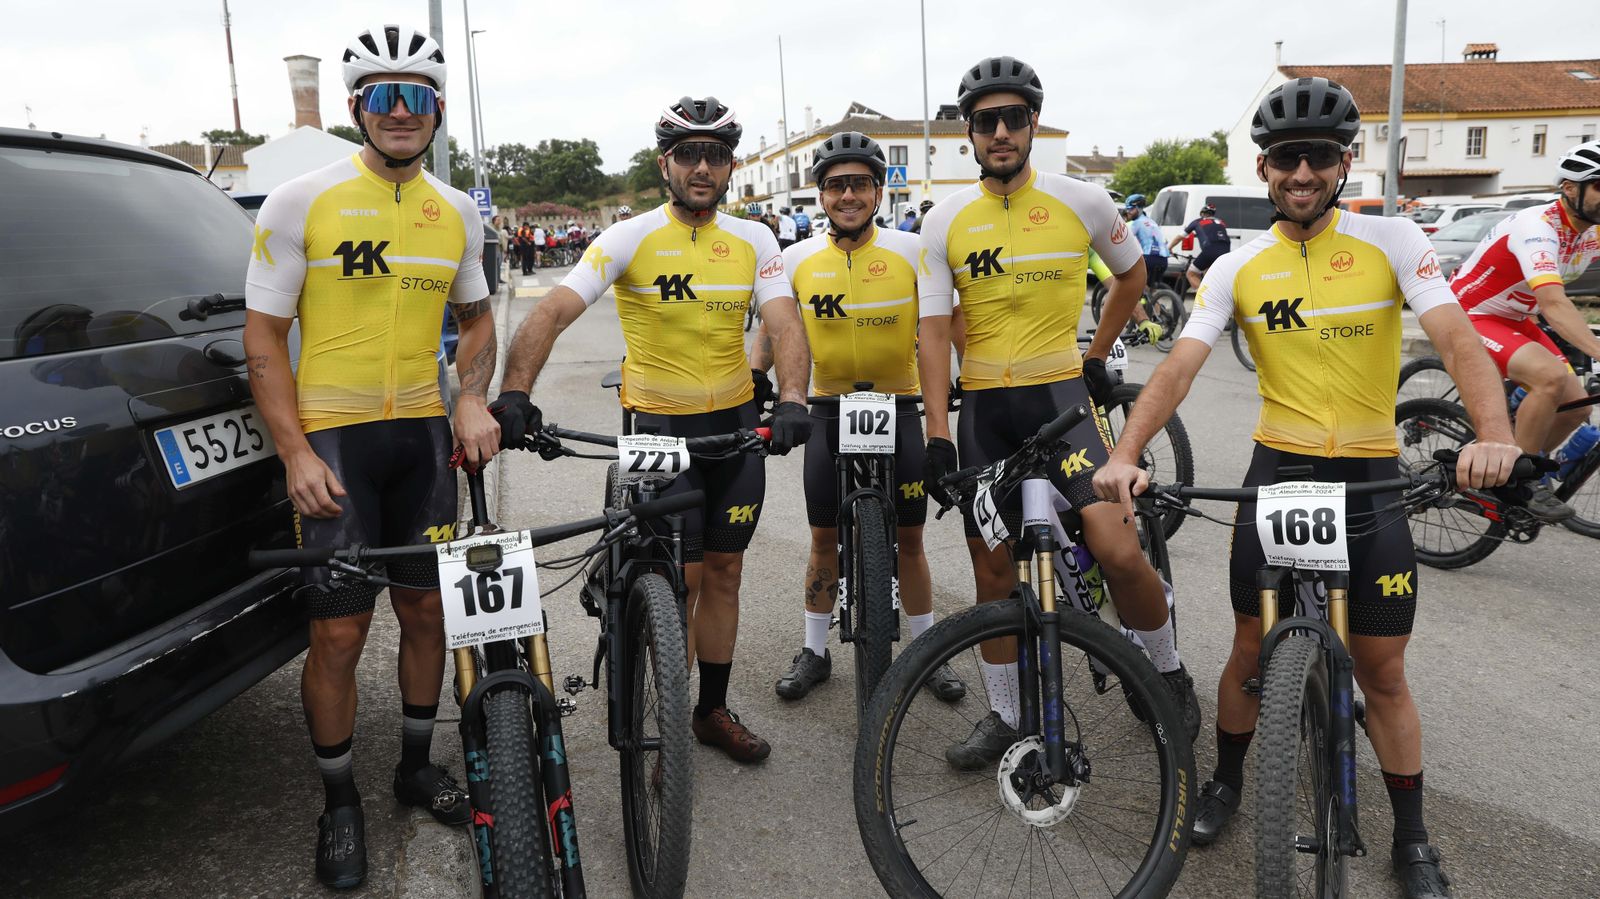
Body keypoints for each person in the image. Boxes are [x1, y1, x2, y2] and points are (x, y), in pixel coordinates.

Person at [1092, 77, 1521, 899]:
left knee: (1383, 671)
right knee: (1251, 649)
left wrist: (1495, 437)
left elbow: (1459, 340)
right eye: (1287, 158)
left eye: (1318, 158)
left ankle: (1414, 837)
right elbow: (1179, 367)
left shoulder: (1393, 240)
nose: (1302, 172)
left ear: (1342, 164)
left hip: (1369, 475)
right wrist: (1130, 450)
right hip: (1279, 472)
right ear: (1264, 167)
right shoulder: (1237, 264)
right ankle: (1225, 781)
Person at [242, 24, 502, 890]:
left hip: (421, 439)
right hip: (336, 444)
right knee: (340, 631)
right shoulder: (299, 201)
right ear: (356, 107)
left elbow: (477, 321)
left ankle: (416, 765)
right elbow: (264, 340)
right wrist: (293, 452)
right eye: (383, 97)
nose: (400, 113)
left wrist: (469, 393)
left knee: (428, 617)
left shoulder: (457, 210)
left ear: (436, 112)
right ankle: (341, 801)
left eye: (417, 97)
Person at [490, 96, 814, 764]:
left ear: (729, 166)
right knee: (682, 579)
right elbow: (552, 310)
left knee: (725, 572)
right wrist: (515, 392)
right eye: (689, 154)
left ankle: (709, 710)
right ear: (665, 162)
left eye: (716, 155)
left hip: (731, 432)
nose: (703, 167)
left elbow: (783, 322)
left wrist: (792, 397)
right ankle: (669, 700)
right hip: (658, 433)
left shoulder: (755, 239)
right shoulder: (628, 236)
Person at [916, 55, 1201, 769]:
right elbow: (930, 329)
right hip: (985, 410)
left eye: (1015, 117)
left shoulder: (1083, 201)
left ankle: (1164, 670)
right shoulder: (943, 220)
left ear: (1034, 123)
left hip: (1062, 402)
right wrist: (938, 435)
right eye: (988, 121)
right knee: (990, 576)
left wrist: (1099, 352)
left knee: (1116, 548)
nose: (1003, 130)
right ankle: (1007, 715)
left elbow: (1136, 274)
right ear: (970, 133)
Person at [750, 131, 967, 702]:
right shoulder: (795, 259)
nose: (848, 195)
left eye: (860, 184)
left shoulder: (912, 250)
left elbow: (946, 326)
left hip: (899, 405)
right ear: (821, 195)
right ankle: (814, 651)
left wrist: (967, 377)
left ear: (879, 190)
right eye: (836, 185)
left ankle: (924, 651)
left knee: (911, 537)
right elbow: (776, 329)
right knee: (823, 537)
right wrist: (756, 380)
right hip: (826, 407)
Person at [1448, 139, 1600, 521]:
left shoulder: (1590, 233)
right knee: (1549, 378)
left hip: (1514, 319)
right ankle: (1515, 480)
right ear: (1570, 188)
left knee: (1575, 404)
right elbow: (1553, 303)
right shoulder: (1537, 226)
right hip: (1470, 313)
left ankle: (1522, 462)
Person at [1168, 202, 1230, 291]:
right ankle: (1214, 295)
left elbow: (1180, 237)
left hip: (1210, 250)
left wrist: (1169, 248)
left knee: (1191, 273)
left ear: (1202, 213)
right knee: (1209, 274)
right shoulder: (1221, 222)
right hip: (1226, 251)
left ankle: (1204, 297)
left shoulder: (1198, 222)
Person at [1123, 194, 1170, 288]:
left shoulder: (1136, 223)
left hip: (1149, 258)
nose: (1128, 211)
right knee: (1151, 287)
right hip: (1164, 260)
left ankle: (1140, 300)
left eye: (1131, 208)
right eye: (1127, 209)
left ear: (1139, 208)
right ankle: (1151, 300)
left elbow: (1125, 241)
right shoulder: (1152, 222)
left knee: (1133, 281)